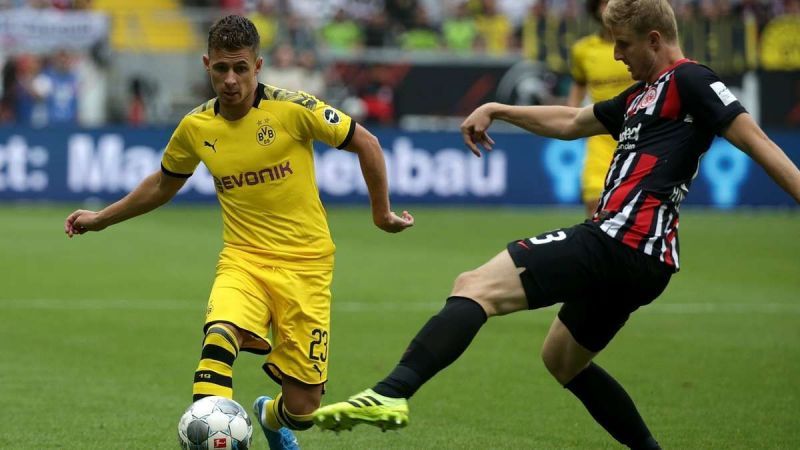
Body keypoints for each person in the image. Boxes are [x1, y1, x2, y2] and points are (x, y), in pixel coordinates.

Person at [312, 0, 800, 448]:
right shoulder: (641, 97)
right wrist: (499, 109)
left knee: (476, 285)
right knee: (562, 359)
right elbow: (570, 122)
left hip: (621, 239)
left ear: (654, 39)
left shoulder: (692, 81)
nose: (616, 54)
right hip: (643, 258)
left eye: (624, 44)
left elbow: (758, 142)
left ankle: (389, 391)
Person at [63, 15, 414, 450]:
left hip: (307, 265)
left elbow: (367, 143)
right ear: (207, 64)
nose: (230, 80)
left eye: (240, 68)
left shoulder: (293, 109)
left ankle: (270, 414)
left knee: (303, 409)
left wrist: (380, 214)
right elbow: (161, 184)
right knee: (219, 333)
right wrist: (101, 218)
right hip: (243, 260)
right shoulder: (196, 127)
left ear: (258, 66)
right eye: (221, 69)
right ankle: (211, 440)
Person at [567, 0, 633, 218]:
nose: (608, 8)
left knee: (633, 207)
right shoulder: (582, 50)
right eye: (603, 3)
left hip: (639, 133)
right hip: (601, 133)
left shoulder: (638, 44)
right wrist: (570, 113)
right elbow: (579, 83)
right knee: (595, 203)